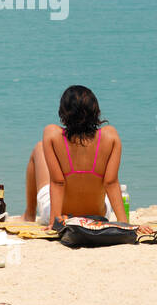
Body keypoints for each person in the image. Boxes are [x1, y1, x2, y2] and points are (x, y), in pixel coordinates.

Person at [22, 85, 126, 225]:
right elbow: (111, 183)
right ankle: (122, 219)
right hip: (97, 217)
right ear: (96, 111)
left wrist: (55, 223)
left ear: (63, 112)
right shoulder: (110, 136)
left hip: (63, 217)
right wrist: (124, 223)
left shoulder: (52, 134)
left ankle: (29, 214)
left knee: (39, 148)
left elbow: (57, 182)